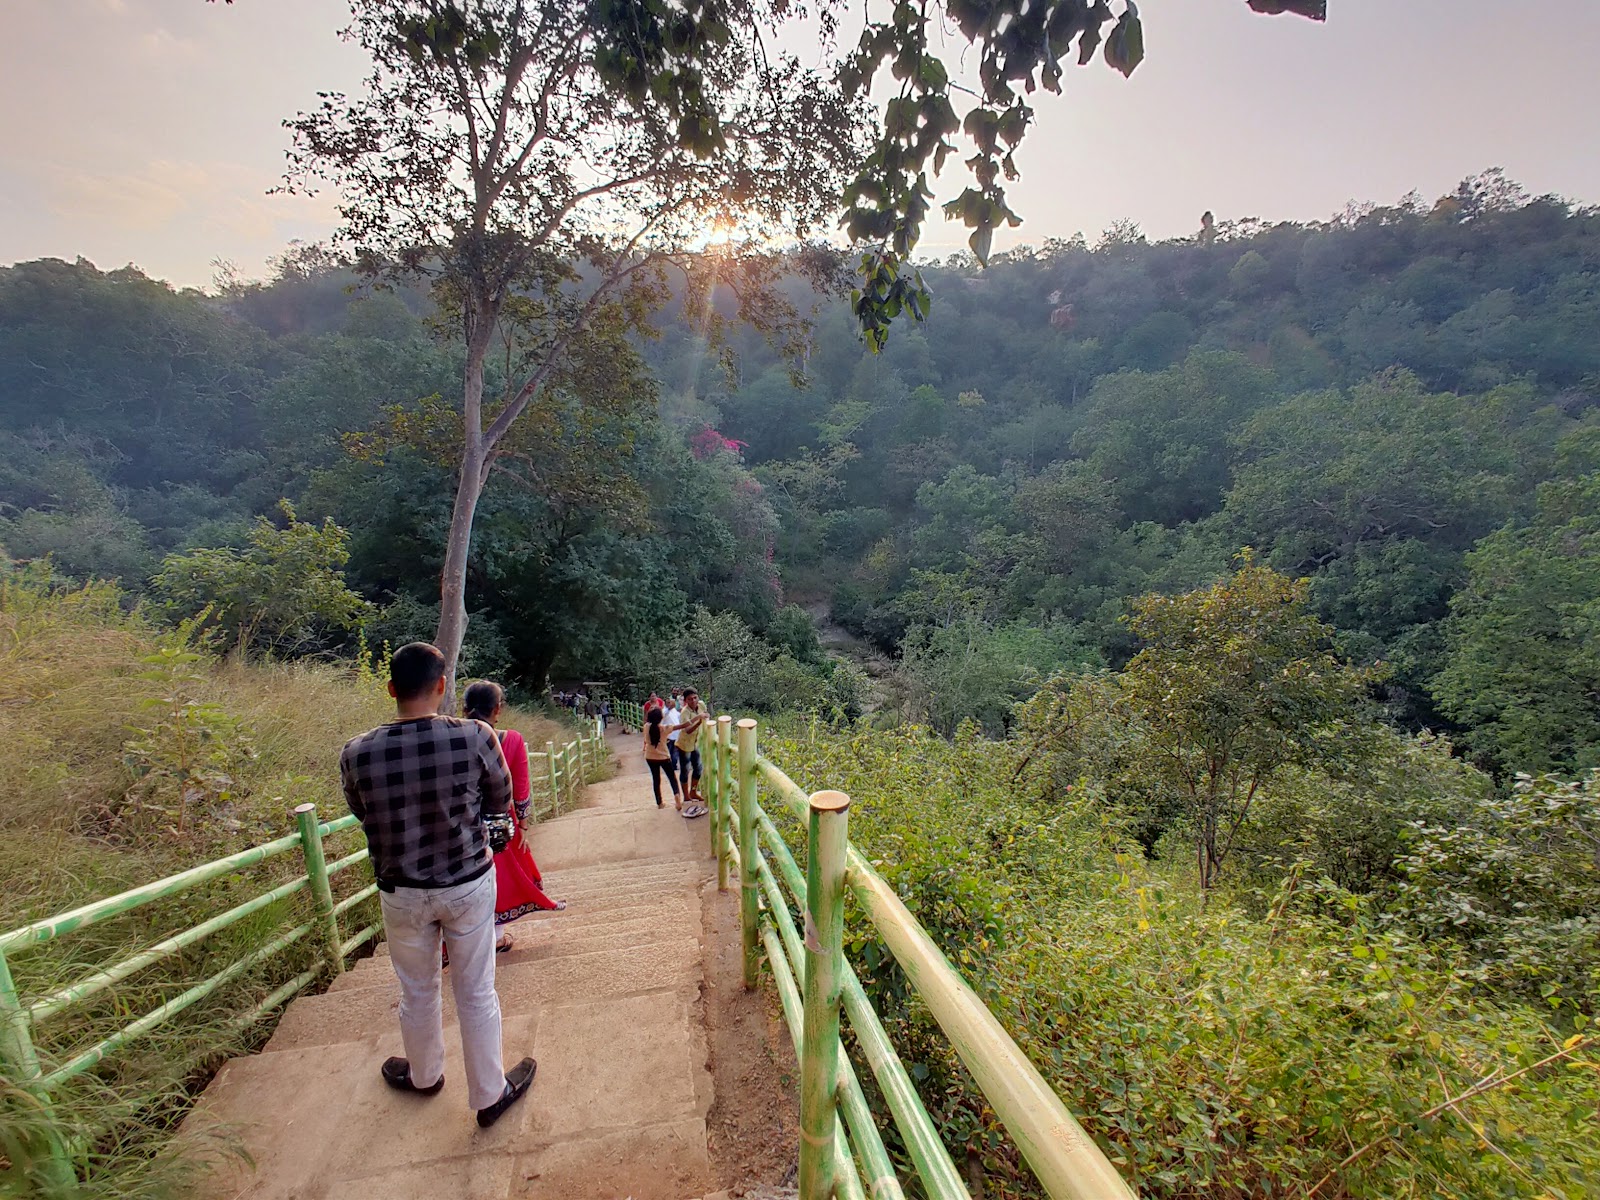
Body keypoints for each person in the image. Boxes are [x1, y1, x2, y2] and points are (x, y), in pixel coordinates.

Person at [339, 642, 536, 1129]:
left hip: (400, 889)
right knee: (476, 992)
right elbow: (500, 800)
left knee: (417, 988)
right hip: (468, 882)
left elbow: (362, 811)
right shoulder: (475, 736)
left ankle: (425, 1076)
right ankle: (489, 1095)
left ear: (391, 690)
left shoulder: (357, 752)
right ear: (443, 686)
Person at [462, 681, 566, 958]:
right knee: (501, 877)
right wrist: (522, 824)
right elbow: (520, 787)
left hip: (462, 821)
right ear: (498, 709)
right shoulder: (512, 740)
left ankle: (469, 940)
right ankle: (495, 938)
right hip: (499, 822)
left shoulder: (453, 739)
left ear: (463, 708)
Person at [674, 689, 709, 817]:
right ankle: (686, 796)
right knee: (685, 770)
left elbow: (706, 714)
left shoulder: (701, 705)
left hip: (696, 743)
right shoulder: (684, 712)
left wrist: (704, 719)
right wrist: (698, 720)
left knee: (698, 768)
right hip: (684, 744)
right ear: (685, 700)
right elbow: (687, 730)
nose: (693, 701)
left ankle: (693, 791)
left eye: (695, 698)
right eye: (690, 699)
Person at [642, 706, 682, 810]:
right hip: (664, 756)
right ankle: (677, 797)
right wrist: (698, 718)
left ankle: (660, 803)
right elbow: (682, 725)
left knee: (656, 779)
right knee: (672, 778)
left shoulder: (646, 727)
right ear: (661, 717)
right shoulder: (665, 729)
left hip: (650, 756)